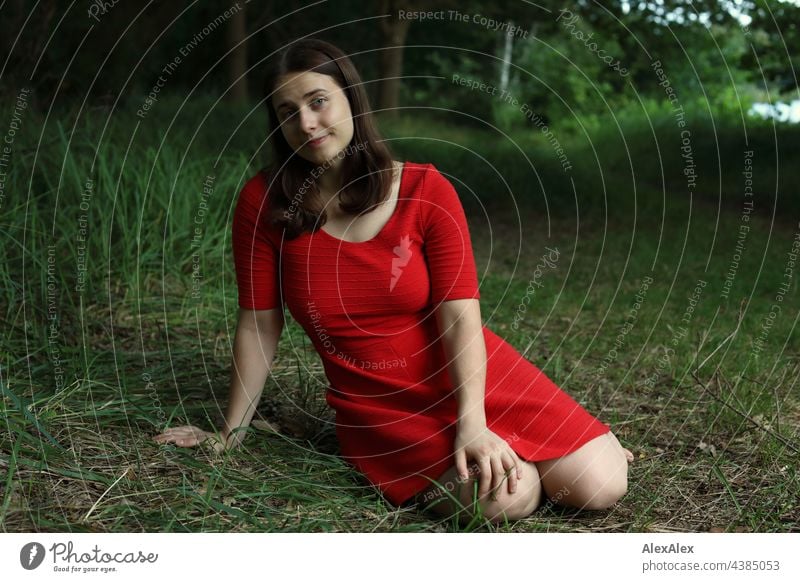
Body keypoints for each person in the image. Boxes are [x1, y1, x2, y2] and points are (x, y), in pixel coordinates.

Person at [153, 38, 634, 525]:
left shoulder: (427, 190)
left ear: (351, 98)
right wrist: (230, 433)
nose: (306, 123)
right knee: (510, 498)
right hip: (379, 408)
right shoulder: (265, 203)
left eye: (318, 101)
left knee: (601, 485)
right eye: (287, 111)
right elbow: (259, 325)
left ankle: (565, 444)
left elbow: (459, 317)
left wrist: (473, 423)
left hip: (467, 374)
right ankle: (525, 461)